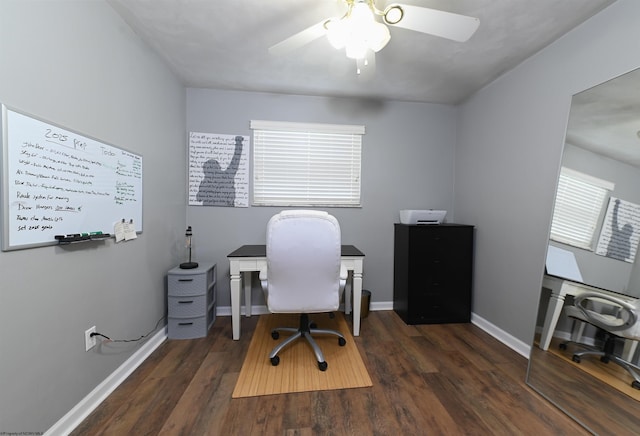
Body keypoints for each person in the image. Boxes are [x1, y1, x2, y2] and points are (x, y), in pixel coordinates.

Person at [196, 136, 244, 206]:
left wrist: (238, 143)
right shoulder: (206, 182)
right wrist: (238, 143)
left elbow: (235, 160)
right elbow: (199, 198)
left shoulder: (227, 176)